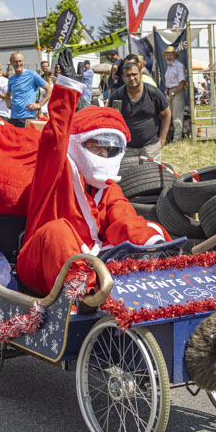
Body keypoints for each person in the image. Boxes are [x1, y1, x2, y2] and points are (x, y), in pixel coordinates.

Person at [15, 52, 168, 295]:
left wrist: (151, 243)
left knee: (133, 222)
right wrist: (67, 90)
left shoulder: (107, 186)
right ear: (78, 144)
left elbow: (122, 219)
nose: (104, 152)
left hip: (93, 261)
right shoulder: (57, 170)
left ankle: (156, 269)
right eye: (97, 145)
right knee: (58, 231)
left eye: (109, 147)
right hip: (41, 261)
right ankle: (84, 295)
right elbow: (54, 138)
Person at [113, 59, 170, 168]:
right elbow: (112, 120)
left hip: (151, 147)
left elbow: (166, 114)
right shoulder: (117, 96)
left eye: (134, 74)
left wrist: (162, 140)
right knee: (130, 180)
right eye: (128, 75)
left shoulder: (153, 93)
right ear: (123, 78)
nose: (132, 78)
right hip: (127, 148)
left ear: (140, 74)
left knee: (151, 178)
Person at [4, 52, 49, 128]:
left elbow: (49, 89)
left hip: (28, 117)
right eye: (15, 61)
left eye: (20, 61)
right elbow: (8, 94)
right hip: (13, 117)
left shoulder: (32, 75)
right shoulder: (11, 78)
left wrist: (39, 104)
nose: (18, 64)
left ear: (23, 62)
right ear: (11, 63)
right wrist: (8, 102)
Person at [162, 46, 186, 143]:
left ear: (175, 56)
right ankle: (171, 138)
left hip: (177, 92)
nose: (168, 57)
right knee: (169, 116)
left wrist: (173, 93)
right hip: (170, 92)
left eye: (170, 55)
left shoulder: (179, 66)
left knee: (177, 116)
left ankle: (177, 139)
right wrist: (167, 91)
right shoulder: (169, 66)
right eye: (167, 55)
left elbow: (182, 82)